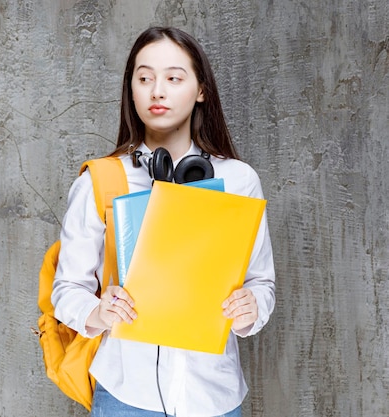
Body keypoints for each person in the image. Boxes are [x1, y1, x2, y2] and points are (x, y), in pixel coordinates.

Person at [51, 26, 275, 417]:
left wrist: (251, 309)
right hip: (125, 396)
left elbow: (262, 283)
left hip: (215, 397)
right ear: (131, 89)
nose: (157, 90)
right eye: (144, 78)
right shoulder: (100, 181)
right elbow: (67, 289)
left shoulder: (240, 180)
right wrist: (99, 312)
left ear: (200, 89)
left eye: (173, 78)